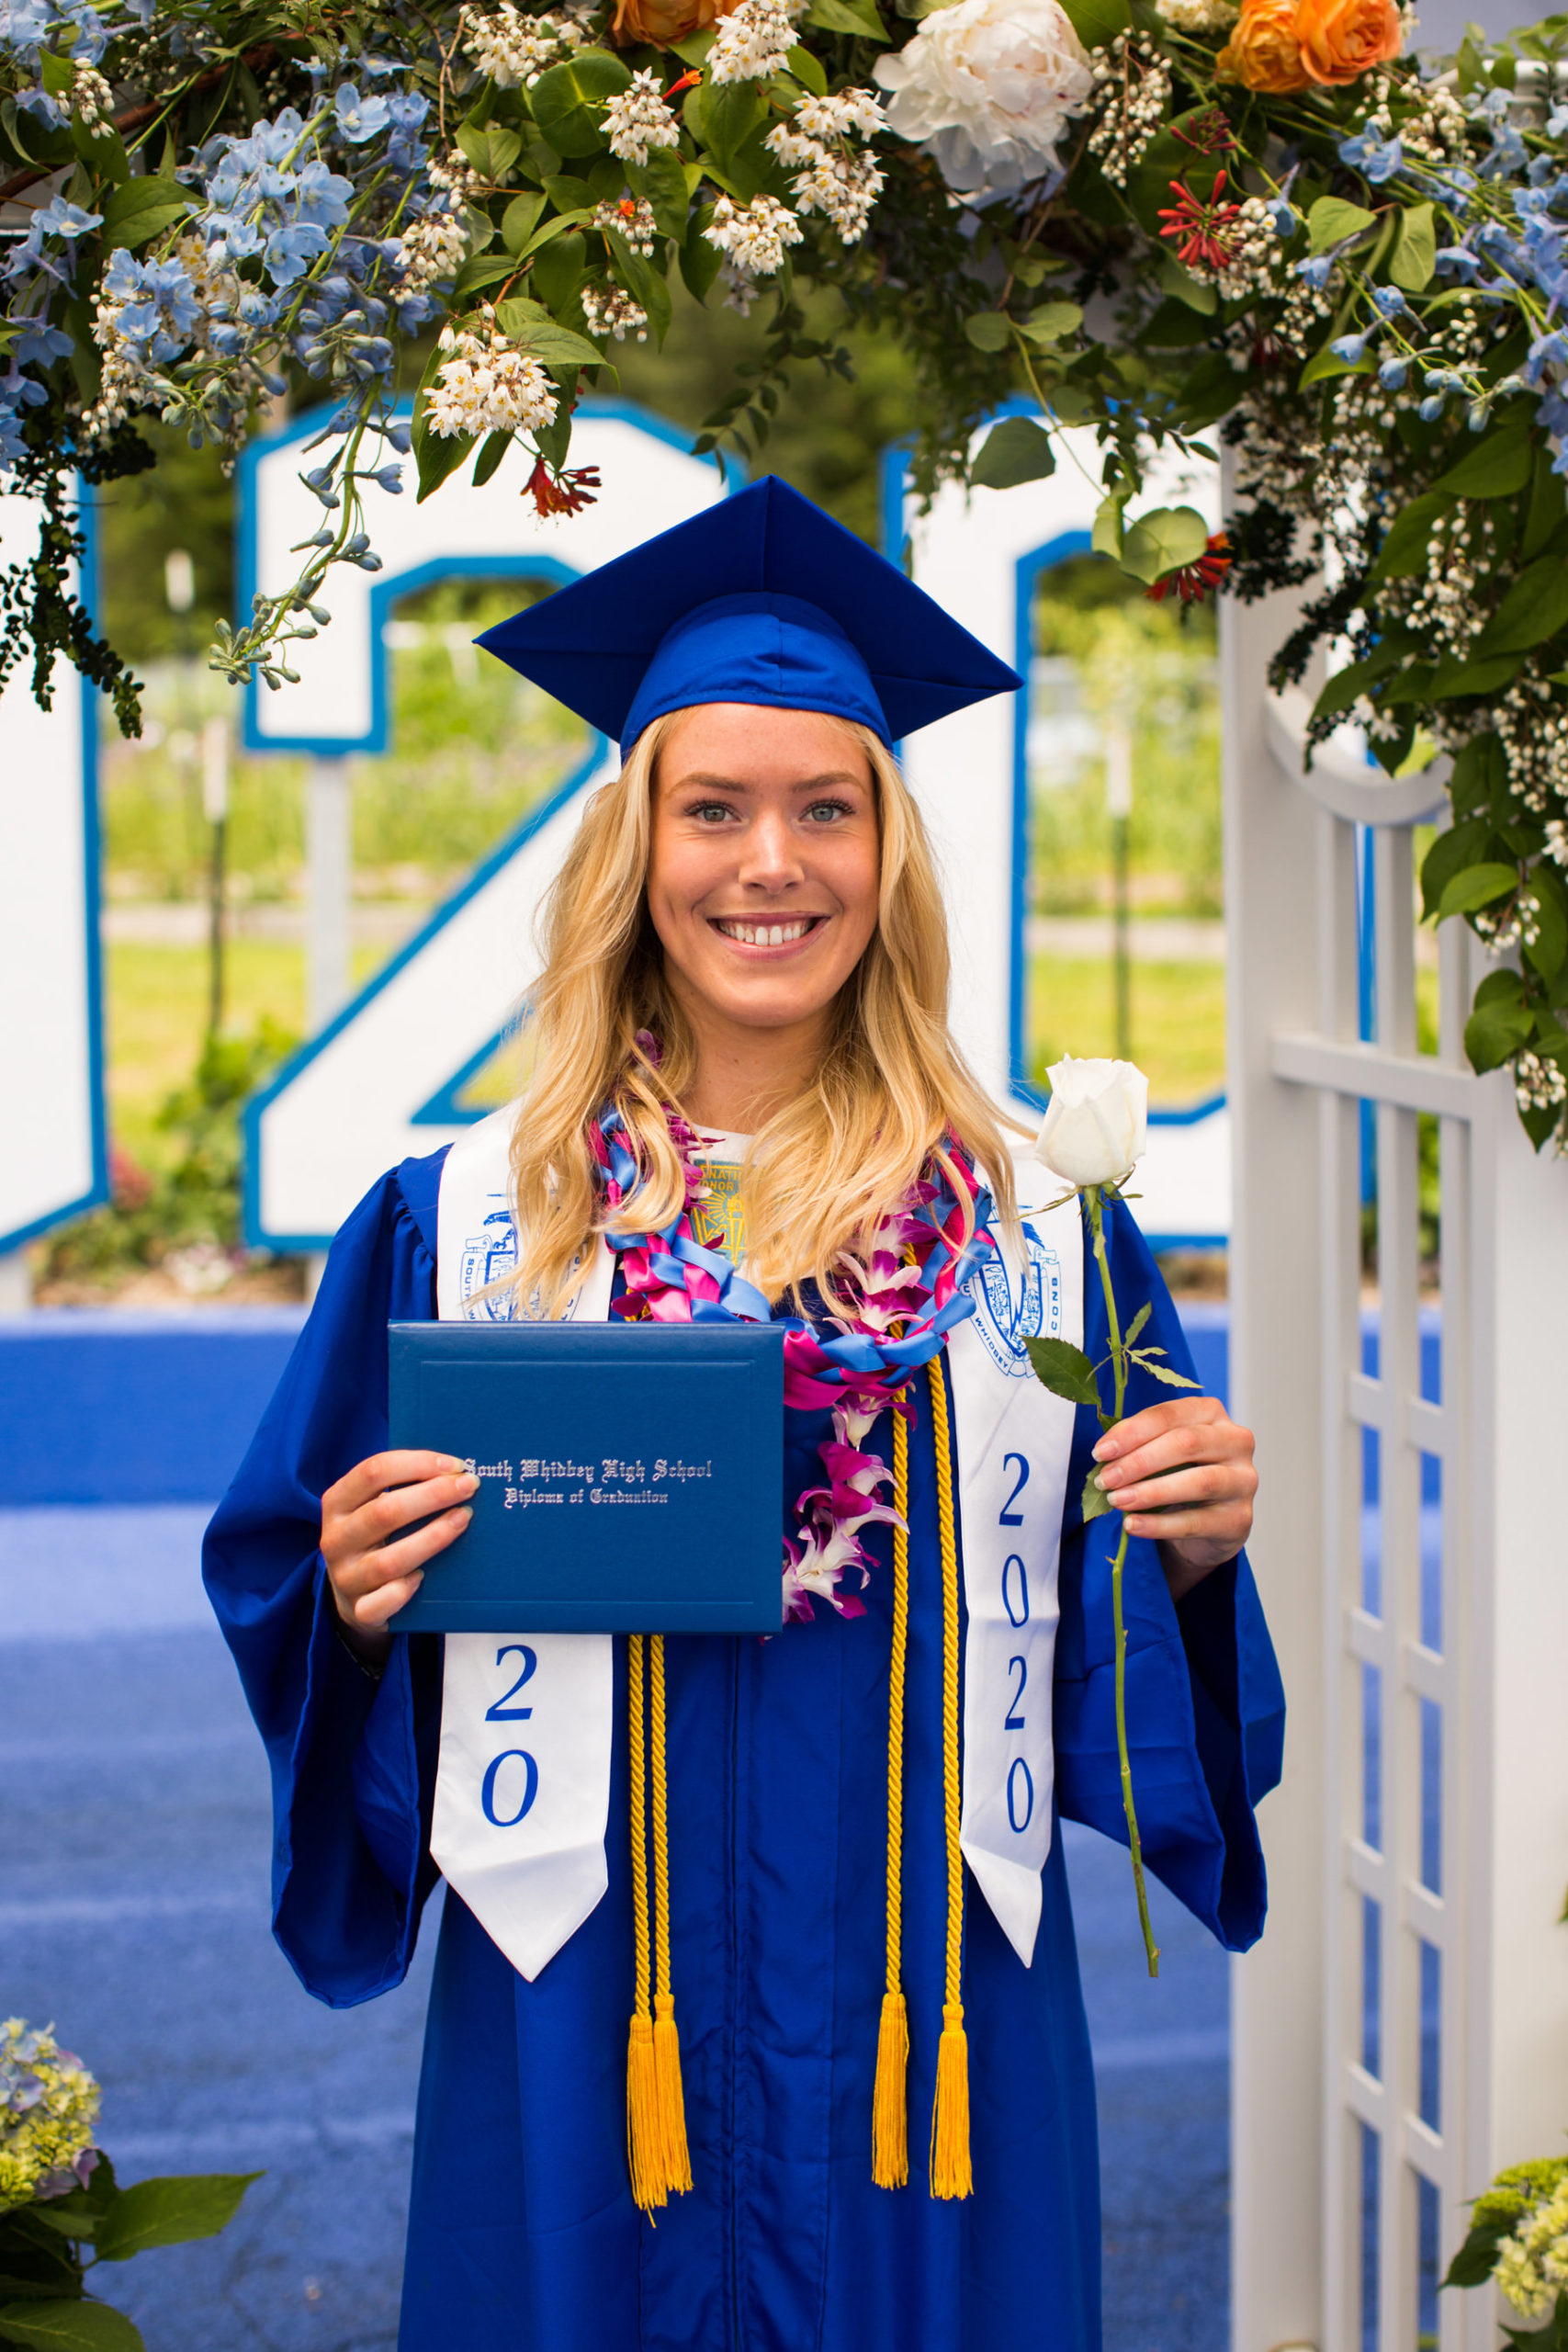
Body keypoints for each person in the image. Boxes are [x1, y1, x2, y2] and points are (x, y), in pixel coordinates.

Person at [204, 476, 1282, 2352]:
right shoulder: (465, 1222)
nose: (763, 862)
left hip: (918, 2015)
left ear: (887, 853)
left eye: (822, 808)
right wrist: (358, 1593)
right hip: (583, 1995)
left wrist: (1182, 1547)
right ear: (636, 846)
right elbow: (297, 1571)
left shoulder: (1031, 1235)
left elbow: (1136, 1661)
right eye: (709, 807)